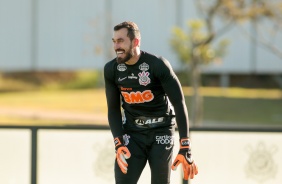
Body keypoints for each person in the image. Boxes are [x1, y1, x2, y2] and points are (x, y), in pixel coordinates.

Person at [104, 21, 198, 184]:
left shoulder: (158, 65)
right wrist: (118, 143)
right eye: (114, 41)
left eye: (121, 41)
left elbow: (179, 103)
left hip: (161, 132)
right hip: (132, 134)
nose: (116, 46)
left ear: (136, 42)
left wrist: (185, 146)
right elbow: (113, 109)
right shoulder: (111, 69)